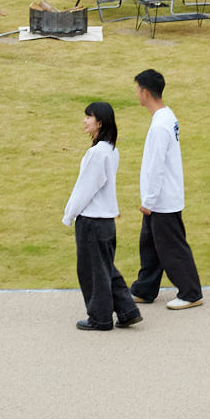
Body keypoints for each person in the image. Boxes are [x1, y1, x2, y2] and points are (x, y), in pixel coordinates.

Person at [61, 100, 141, 332]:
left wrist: (69, 215)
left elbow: (85, 188)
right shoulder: (111, 150)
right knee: (106, 268)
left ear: (100, 123)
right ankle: (127, 310)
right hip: (105, 221)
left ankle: (100, 318)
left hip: (92, 222)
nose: (85, 120)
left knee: (92, 271)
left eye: (89, 117)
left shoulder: (97, 153)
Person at [130, 68, 203, 311]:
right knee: (149, 245)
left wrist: (148, 201)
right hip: (162, 198)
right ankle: (144, 288)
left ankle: (191, 292)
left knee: (172, 248)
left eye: (138, 90)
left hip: (162, 200)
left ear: (146, 92)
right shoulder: (166, 117)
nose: (137, 94)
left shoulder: (160, 126)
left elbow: (156, 166)